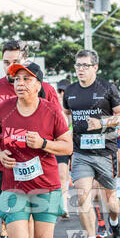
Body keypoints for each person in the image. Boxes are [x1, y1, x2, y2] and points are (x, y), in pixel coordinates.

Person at [0, 62, 72, 238]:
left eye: (26, 79)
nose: (20, 83)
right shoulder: (4, 108)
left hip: (45, 185)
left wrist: (44, 144)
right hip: (14, 186)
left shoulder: (51, 111)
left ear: (39, 84)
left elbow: (67, 145)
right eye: (17, 79)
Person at [0, 40, 60, 238]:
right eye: (5, 62)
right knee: (16, 223)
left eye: (15, 61)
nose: (10, 66)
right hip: (6, 164)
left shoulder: (43, 87)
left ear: (25, 61)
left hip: (39, 168)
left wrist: (46, 144)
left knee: (33, 224)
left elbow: (59, 126)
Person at [63, 49, 120, 238]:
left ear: (95, 67)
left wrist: (101, 122)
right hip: (81, 152)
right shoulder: (71, 91)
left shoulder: (107, 88)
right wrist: (64, 130)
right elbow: (66, 114)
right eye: (78, 65)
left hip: (105, 152)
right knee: (83, 196)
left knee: (111, 202)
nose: (80, 69)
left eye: (85, 66)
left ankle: (114, 223)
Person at [56, 79, 71, 218]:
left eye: (64, 91)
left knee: (81, 179)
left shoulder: (75, 104)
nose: (62, 93)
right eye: (60, 91)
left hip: (78, 145)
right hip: (62, 145)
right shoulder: (54, 106)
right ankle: (64, 206)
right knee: (62, 175)